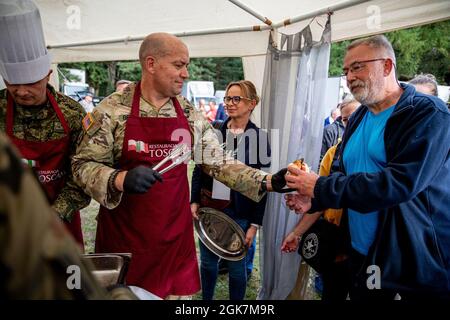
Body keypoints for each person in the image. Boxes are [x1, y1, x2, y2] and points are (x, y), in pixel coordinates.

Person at [72, 32, 290, 299]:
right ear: (151, 64)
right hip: (126, 240)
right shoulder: (111, 110)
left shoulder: (188, 114)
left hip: (174, 238)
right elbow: (82, 165)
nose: (186, 73)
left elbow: (217, 162)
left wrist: (267, 181)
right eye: (178, 65)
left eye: (186, 65)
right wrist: (119, 179)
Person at [285, 35, 450, 300]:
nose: (349, 77)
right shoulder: (359, 115)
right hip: (361, 250)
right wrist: (314, 198)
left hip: (411, 257)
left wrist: (320, 186)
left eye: (358, 67)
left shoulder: (428, 114)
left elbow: (399, 183)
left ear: (387, 66)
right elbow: (342, 172)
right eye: (346, 70)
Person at [0, 132, 139, 300]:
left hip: (63, 221)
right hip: (47, 235)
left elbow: (77, 172)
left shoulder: (71, 114)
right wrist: (118, 294)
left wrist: (58, 212)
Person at [0, 0, 90, 248]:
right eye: (12, 83)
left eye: (30, 83)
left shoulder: (71, 113)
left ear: (47, 75)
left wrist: (53, 216)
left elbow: (82, 174)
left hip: (60, 224)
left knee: (67, 283)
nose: (20, 92)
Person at [190, 80, 270, 300]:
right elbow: (199, 168)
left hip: (240, 212)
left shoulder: (260, 138)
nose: (230, 103)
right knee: (207, 263)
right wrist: (194, 200)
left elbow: (262, 184)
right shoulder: (214, 130)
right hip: (210, 208)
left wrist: (255, 224)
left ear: (252, 103)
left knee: (237, 268)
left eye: (237, 99)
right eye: (227, 98)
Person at [282, 98, 360, 301]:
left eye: (355, 117)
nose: (349, 124)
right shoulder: (333, 154)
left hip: (366, 247)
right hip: (335, 242)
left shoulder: (378, 154)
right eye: (344, 120)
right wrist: (296, 233)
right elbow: (320, 201)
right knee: (332, 293)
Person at [320, 98, 360, 162]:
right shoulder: (334, 151)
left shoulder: (373, 143)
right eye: (345, 120)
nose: (349, 122)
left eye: (353, 117)